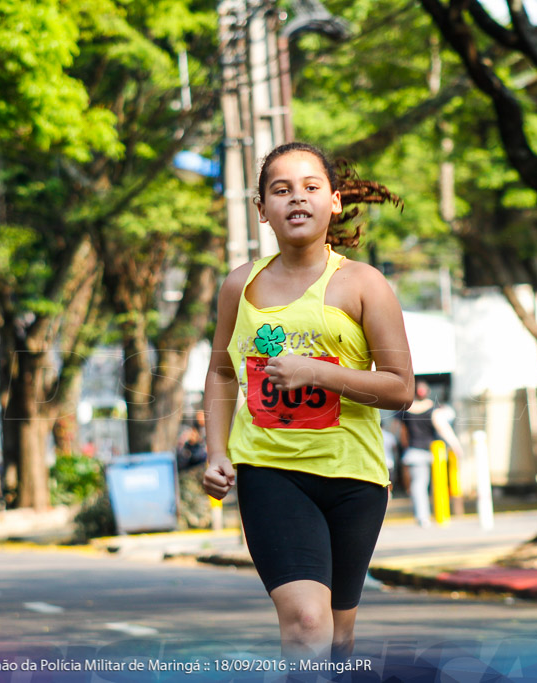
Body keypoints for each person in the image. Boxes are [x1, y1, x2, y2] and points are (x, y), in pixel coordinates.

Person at [202, 142, 413, 662]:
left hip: (353, 479)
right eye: (281, 189)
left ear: (334, 202)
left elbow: (401, 387)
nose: (297, 198)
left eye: (311, 187)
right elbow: (221, 371)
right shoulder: (239, 285)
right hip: (271, 472)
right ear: (262, 210)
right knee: (306, 624)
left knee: (337, 640)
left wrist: (315, 371)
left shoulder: (363, 284)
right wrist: (216, 451)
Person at [398, 382, 465, 527]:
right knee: (438, 484)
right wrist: (456, 445)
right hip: (434, 451)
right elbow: (443, 428)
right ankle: (440, 514)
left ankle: (422, 517)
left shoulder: (406, 409)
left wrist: (403, 448)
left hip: (414, 451)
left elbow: (401, 433)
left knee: (419, 485)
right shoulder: (433, 409)